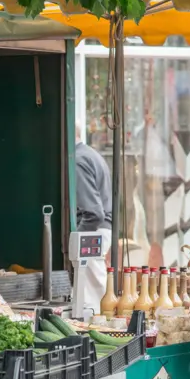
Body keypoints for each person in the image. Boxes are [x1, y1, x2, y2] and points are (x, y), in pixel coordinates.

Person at [75, 124, 113, 313]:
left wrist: (75, 240)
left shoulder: (78, 160)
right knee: (95, 292)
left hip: (92, 230)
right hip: (100, 229)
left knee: (90, 303)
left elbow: (93, 213)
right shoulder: (91, 154)